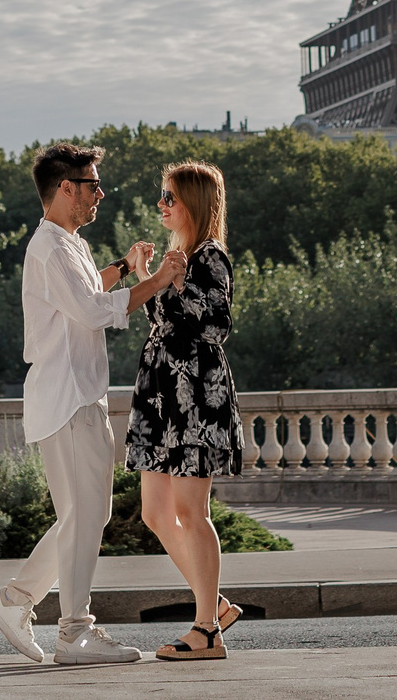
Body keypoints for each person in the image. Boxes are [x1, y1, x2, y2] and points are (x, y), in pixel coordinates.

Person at [0, 143, 186, 666]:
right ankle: (73, 632)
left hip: (76, 396)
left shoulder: (65, 242)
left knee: (82, 517)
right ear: (65, 188)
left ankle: (16, 602)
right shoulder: (49, 247)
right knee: (84, 516)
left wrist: (124, 266)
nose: (100, 193)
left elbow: (89, 288)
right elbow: (94, 311)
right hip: (69, 397)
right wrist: (158, 279)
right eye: (93, 184)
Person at [126, 160, 242, 662]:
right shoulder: (180, 255)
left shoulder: (210, 256)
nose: (161, 205)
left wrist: (170, 280)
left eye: (169, 197)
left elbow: (215, 325)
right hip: (161, 398)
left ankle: (206, 632)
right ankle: (213, 605)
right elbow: (158, 318)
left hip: (195, 397)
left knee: (192, 513)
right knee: (155, 513)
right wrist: (147, 275)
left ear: (192, 202)